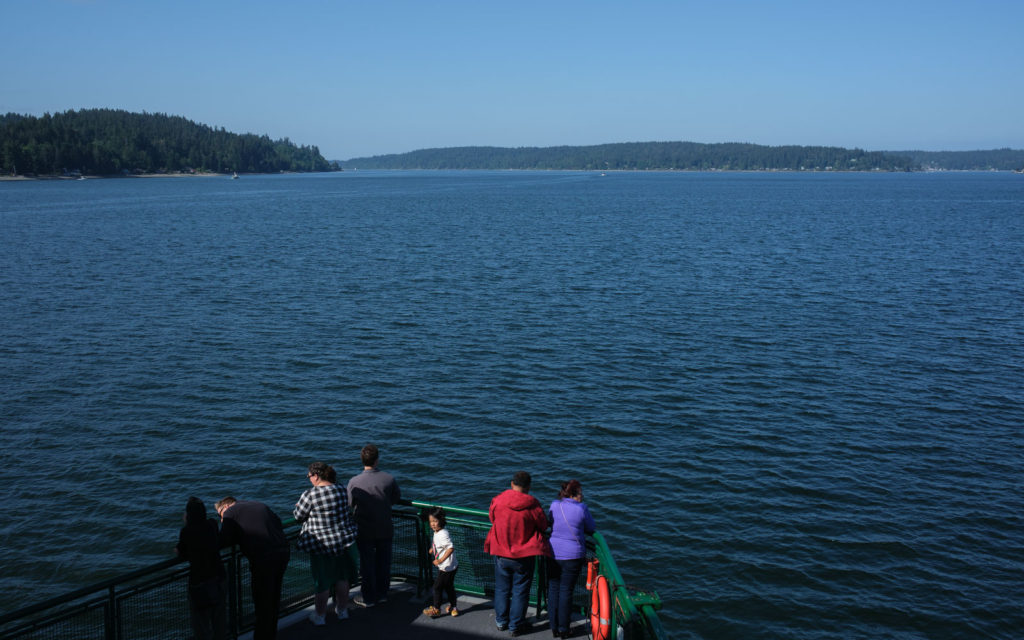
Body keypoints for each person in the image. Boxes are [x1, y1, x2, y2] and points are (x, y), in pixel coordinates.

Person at [484, 471, 552, 636]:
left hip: (501, 552)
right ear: (528, 487)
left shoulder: (498, 500)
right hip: (524, 555)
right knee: (520, 590)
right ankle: (516, 625)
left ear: (511, 483)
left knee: (501, 589)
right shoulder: (533, 504)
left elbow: (492, 518)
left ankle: (501, 621)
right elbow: (543, 525)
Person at [294, 461, 359, 626]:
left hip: (321, 545)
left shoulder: (310, 495)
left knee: (321, 582)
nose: (309, 479)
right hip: (344, 541)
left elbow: (298, 516)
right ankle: (342, 611)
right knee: (342, 578)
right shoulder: (342, 489)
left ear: (316, 476)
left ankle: (320, 616)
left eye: (309, 476)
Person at [216, 497, 290, 640]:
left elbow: (223, 540)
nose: (221, 519)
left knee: (262, 604)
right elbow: (278, 522)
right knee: (273, 600)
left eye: (220, 515)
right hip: (282, 553)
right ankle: (270, 635)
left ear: (225, 506)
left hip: (264, 560)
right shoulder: (258, 504)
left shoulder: (230, 513)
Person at [347, 444, 401, 607]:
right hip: (385, 527)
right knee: (384, 563)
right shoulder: (389, 479)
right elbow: (395, 498)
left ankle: (368, 597)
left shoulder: (354, 482)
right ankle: (383, 593)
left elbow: (349, 503)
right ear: (377, 460)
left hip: (364, 530)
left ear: (362, 460)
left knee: (367, 564)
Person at [546, 480, 597, 639]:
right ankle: (563, 629)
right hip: (572, 556)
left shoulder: (554, 505)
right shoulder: (582, 508)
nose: (583, 497)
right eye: (581, 493)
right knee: (566, 591)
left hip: (552, 552)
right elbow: (591, 528)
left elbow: (550, 522)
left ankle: (553, 626)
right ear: (575, 495)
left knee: (553, 589)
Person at [175, 497, 227, 640]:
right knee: (220, 622)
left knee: (202, 626)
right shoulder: (212, 524)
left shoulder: (186, 531)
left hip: (199, 583)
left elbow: (181, 552)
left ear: (188, 515)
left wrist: (187, 524)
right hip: (218, 578)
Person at [422, 507, 459, 618]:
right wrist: (432, 549)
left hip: (446, 567)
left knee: (437, 587)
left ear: (441, 521)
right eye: (431, 521)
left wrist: (440, 560)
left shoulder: (443, 534)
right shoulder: (438, 531)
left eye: (435, 521)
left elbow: (450, 548)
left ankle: (436, 609)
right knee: (449, 587)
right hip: (452, 565)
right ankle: (454, 607)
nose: (432, 524)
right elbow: (439, 544)